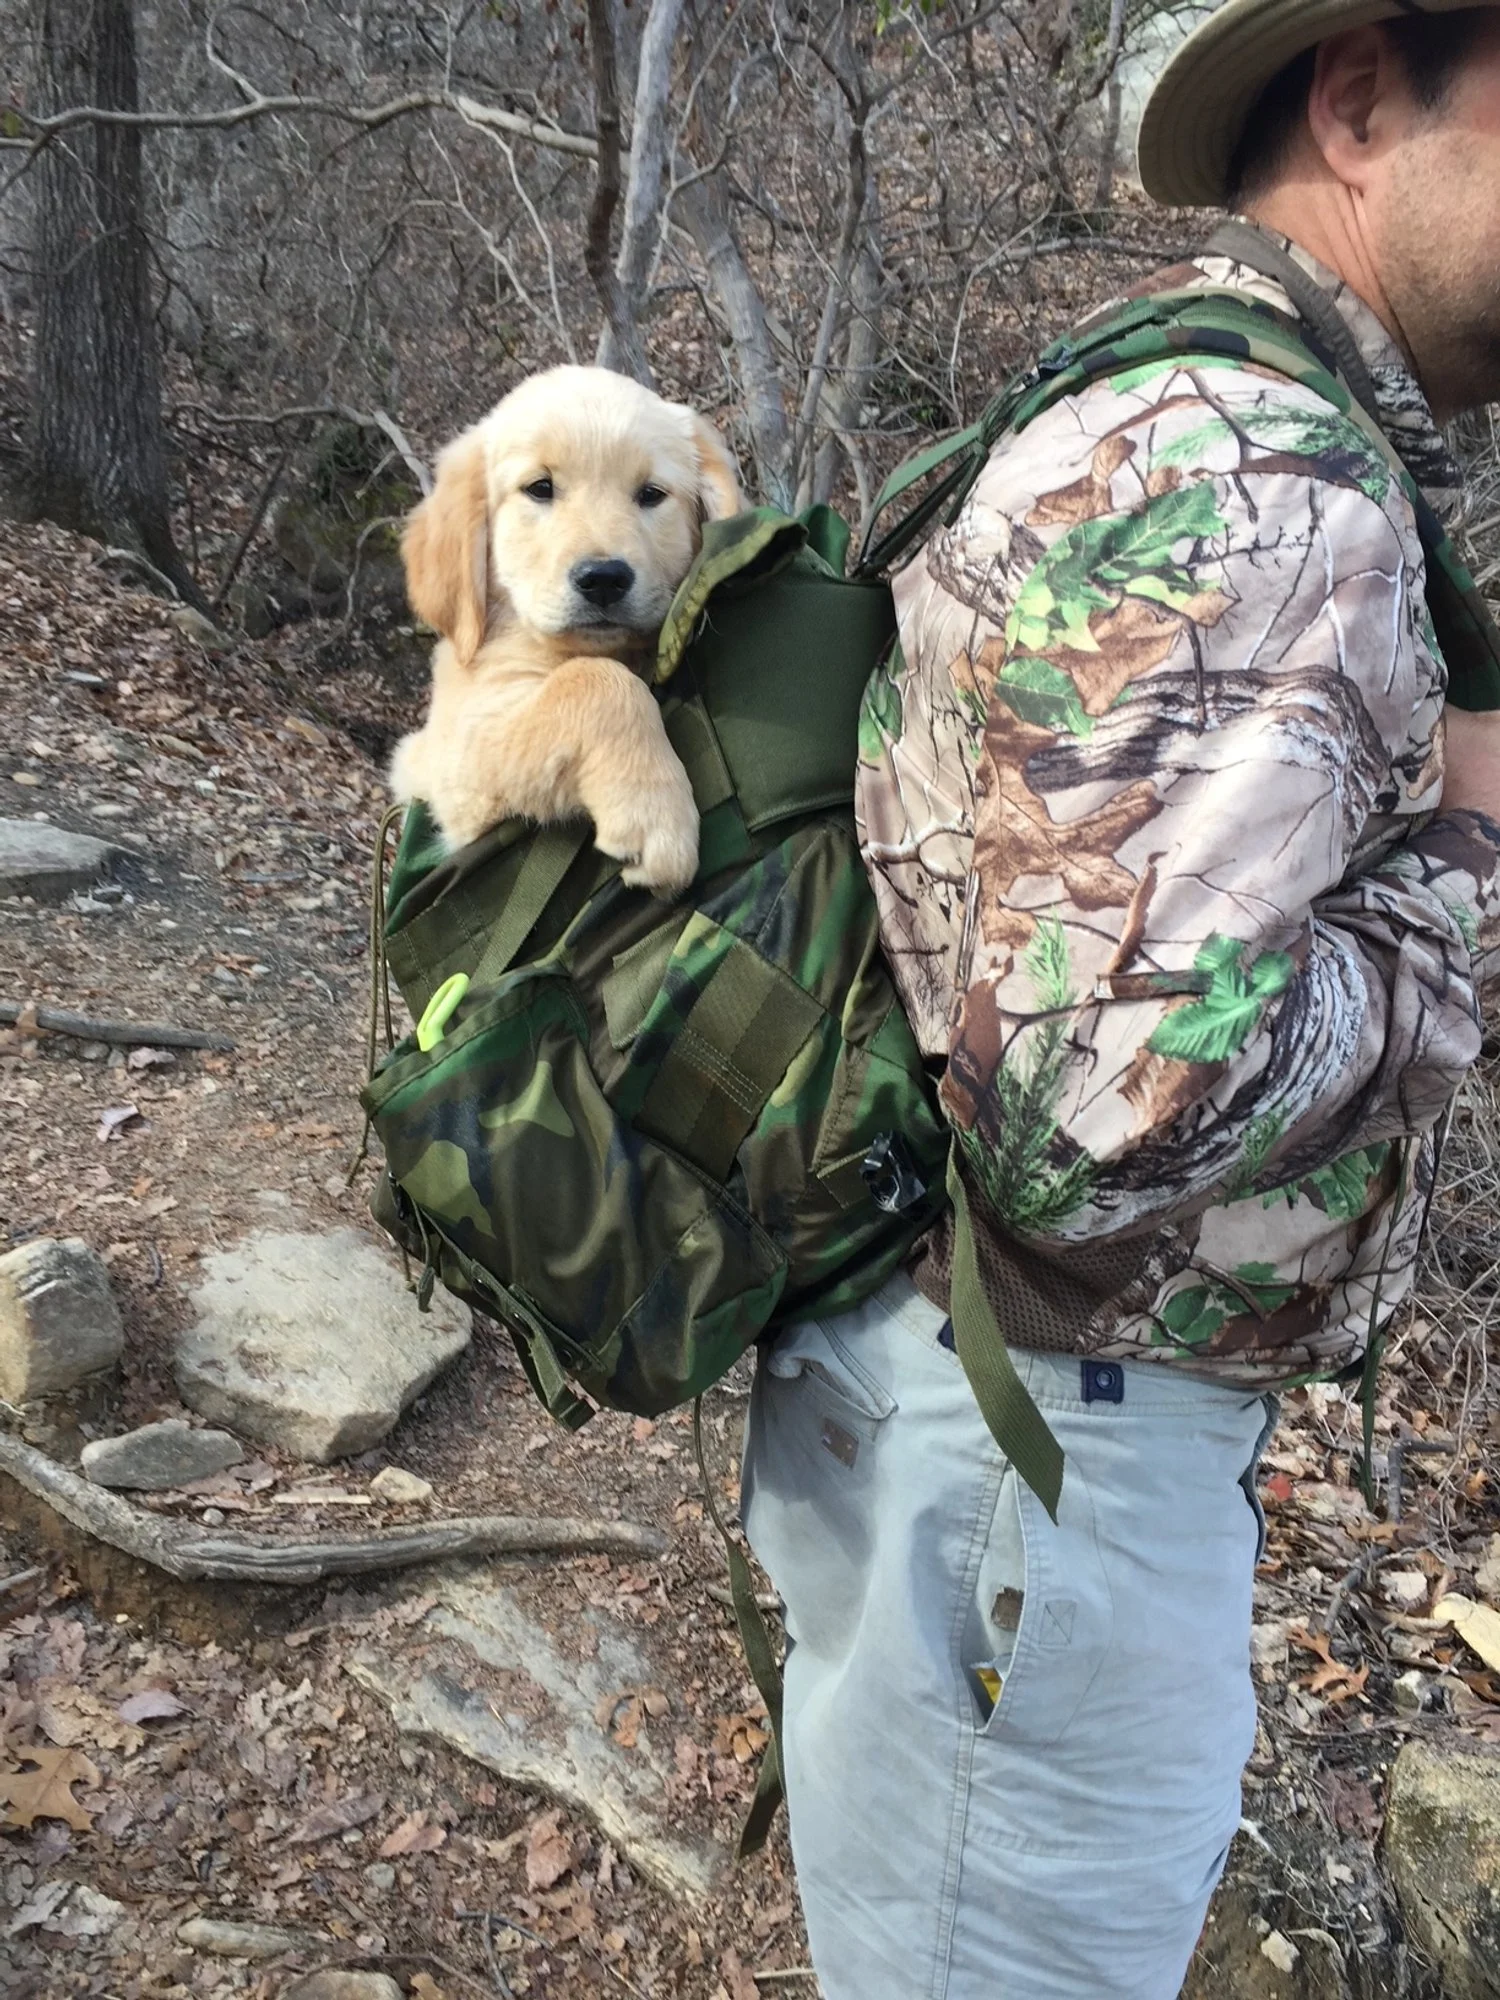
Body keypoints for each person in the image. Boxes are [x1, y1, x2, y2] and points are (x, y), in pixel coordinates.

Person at [741, 4, 1500, 1995]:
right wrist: (1463, 881)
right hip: (1047, 1445)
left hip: (953, 1385)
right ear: (1356, 104)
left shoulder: (1160, 397)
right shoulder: (1286, 485)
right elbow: (1108, 1110)